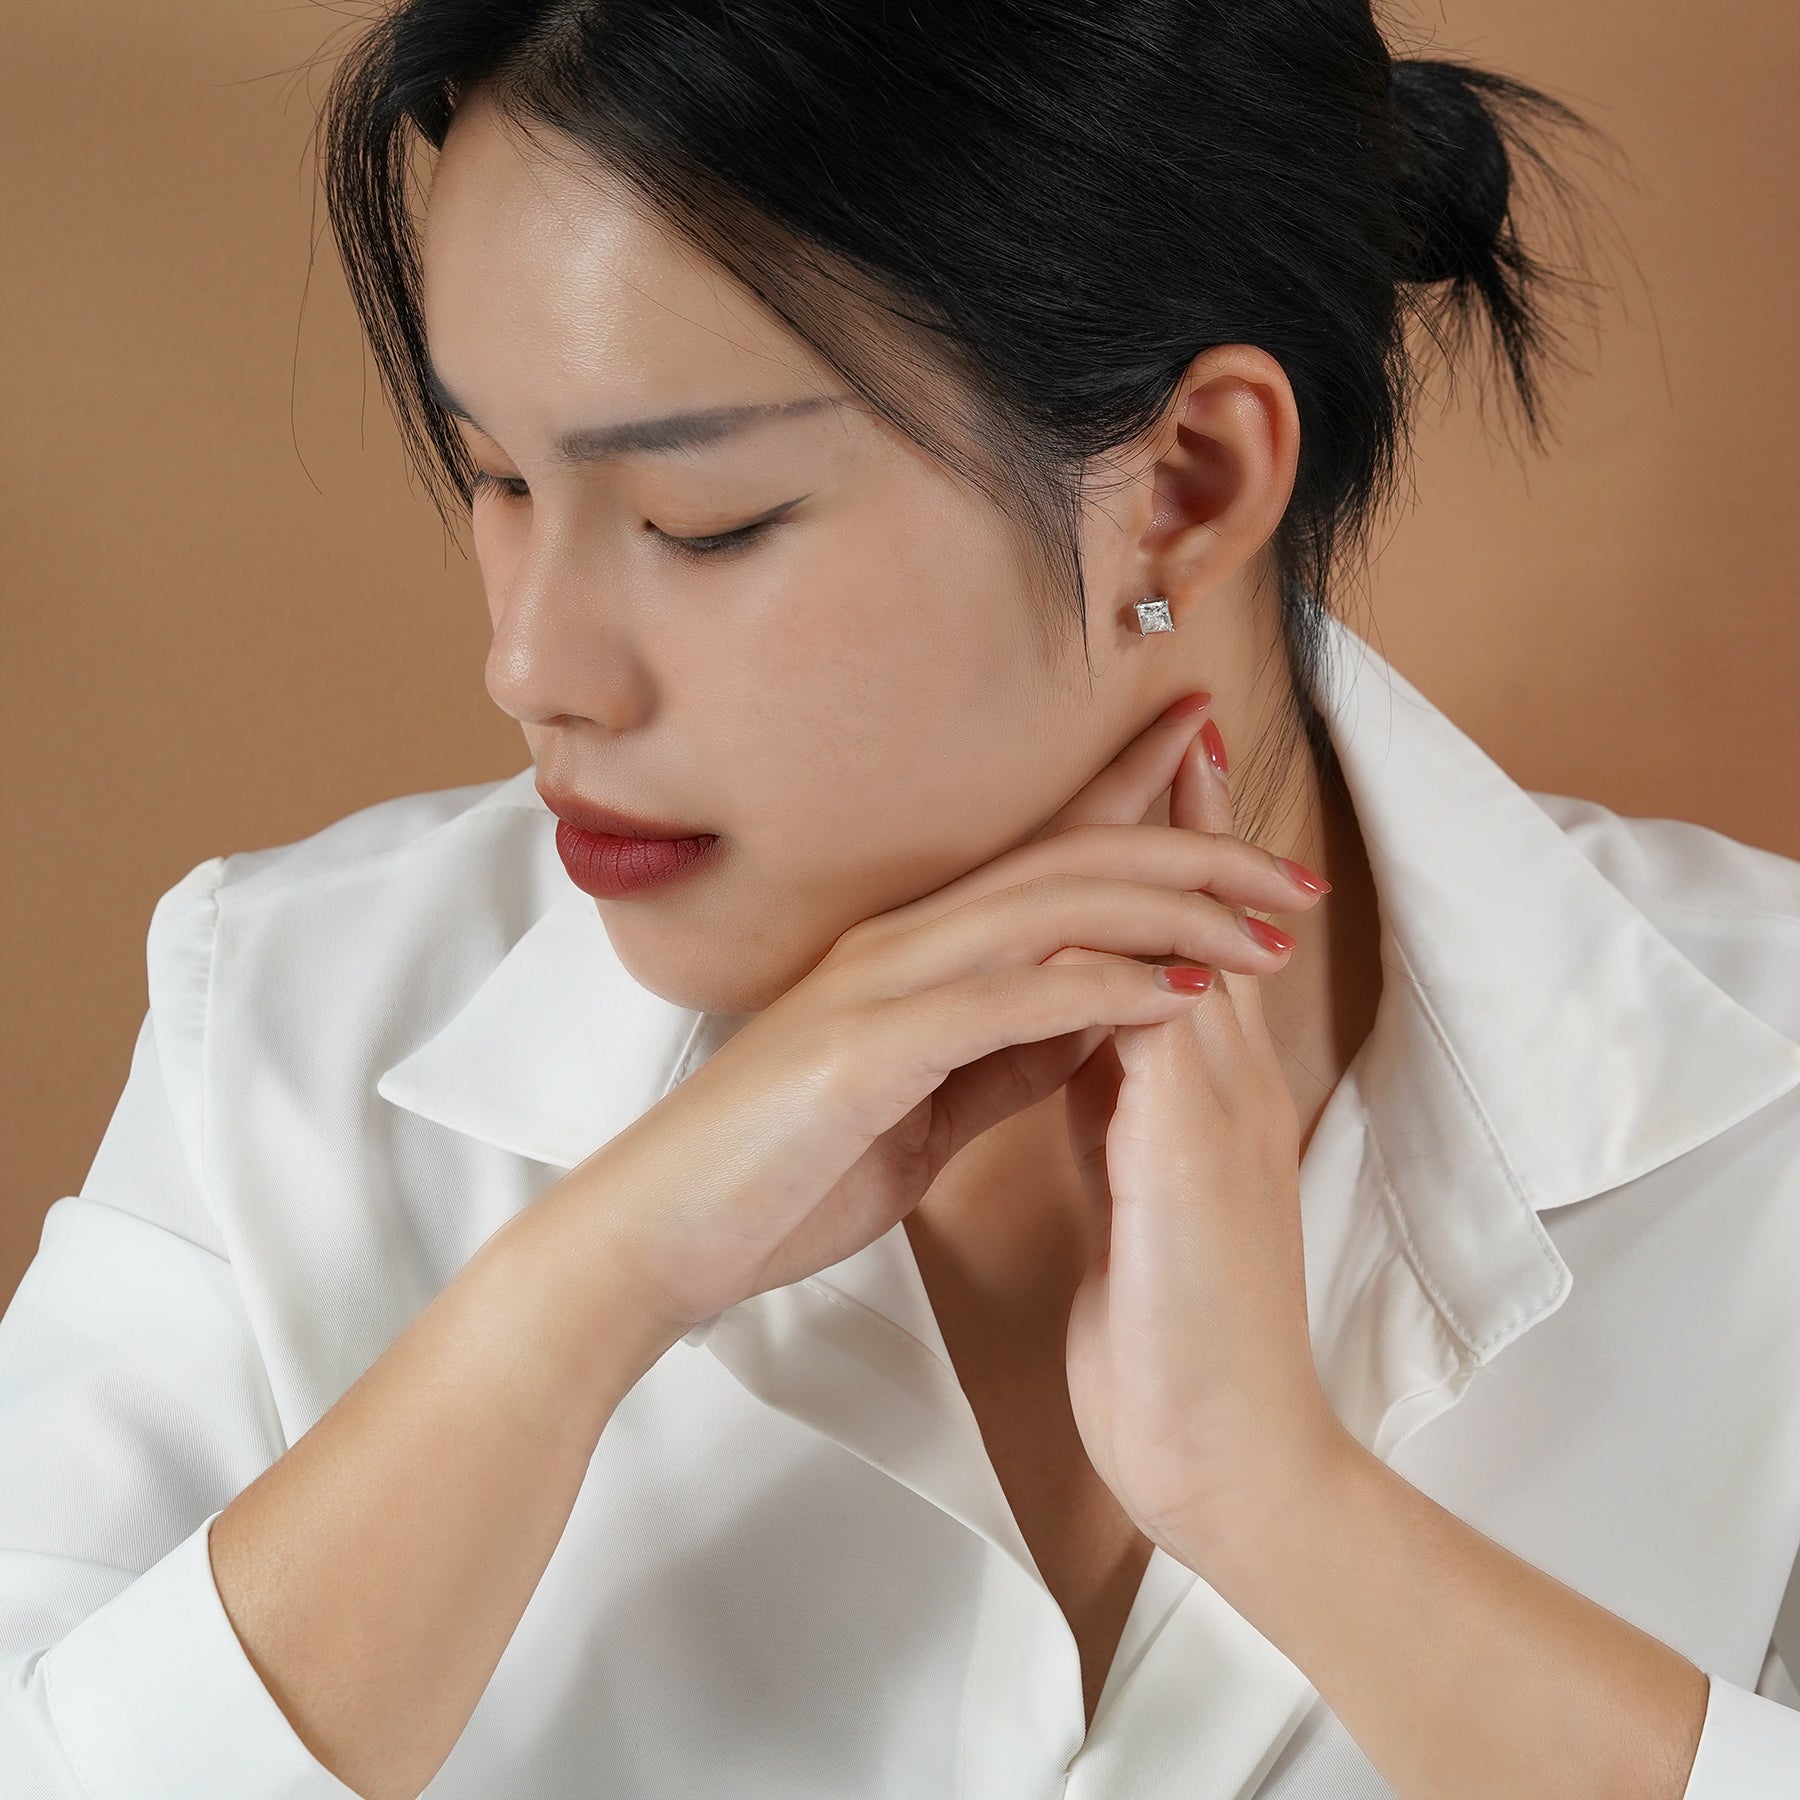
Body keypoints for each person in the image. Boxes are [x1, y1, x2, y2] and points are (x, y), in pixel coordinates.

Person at [4, 3, 1798, 1796]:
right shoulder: (288, 1025)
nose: (530, 665)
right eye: (499, 480)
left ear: (1189, 482)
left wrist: (1289, 1510)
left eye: (700, 518)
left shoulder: (1765, 1112)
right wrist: (572, 1304)